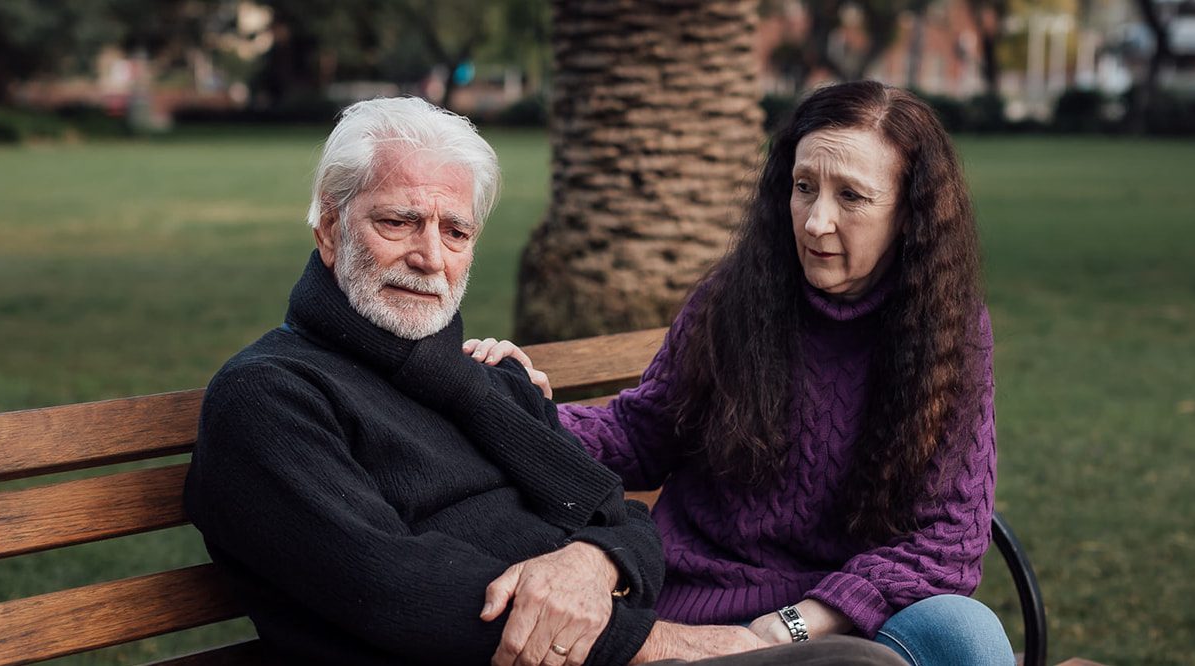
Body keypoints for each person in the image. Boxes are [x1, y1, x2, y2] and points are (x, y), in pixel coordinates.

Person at [183, 96, 905, 666]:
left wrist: (594, 563)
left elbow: (622, 520)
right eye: (399, 222)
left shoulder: (481, 382)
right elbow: (392, 589)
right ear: (328, 230)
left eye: (456, 232)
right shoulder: (271, 397)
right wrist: (668, 647)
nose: (431, 257)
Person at [466, 81, 1013, 666]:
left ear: (911, 214)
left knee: (965, 633)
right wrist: (526, 409)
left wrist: (788, 628)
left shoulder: (946, 332)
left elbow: (946, 543)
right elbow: (641, 433)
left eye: (852, 197)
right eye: (804, 188)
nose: (816, 221)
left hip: (841, 625)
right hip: (695, 618)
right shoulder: (735, 300)